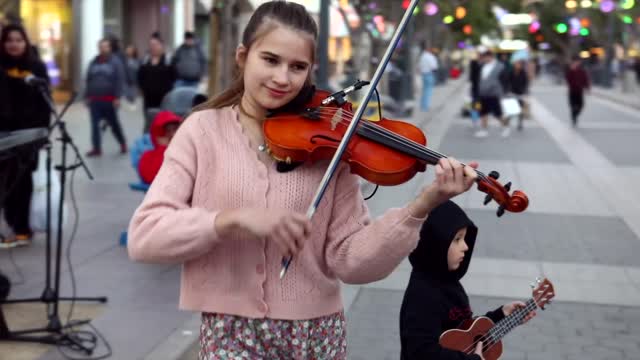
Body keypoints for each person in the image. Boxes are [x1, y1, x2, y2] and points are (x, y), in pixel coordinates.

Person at [127, 2, 479, 359]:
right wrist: (229, 219)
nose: (283, 78)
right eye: (270, 60)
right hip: (229, 333)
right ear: (243, 56)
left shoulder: (331, 143)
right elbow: (145, 237)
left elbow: (351, 262)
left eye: (297, 67)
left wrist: (421, 207)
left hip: (316, 335)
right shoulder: (203, 131)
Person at [399, 201, 536, 360]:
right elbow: (422, 352)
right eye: (457, 239)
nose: (465, 246)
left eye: (464, 238)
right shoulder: (423, 295)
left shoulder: (450, 282)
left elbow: (464, 332)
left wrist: (500, 314)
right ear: (436, 243)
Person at [0, 24, 50, 248]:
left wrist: (41, 135)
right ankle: (11, 224)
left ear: (25, 42)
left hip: (28, 137)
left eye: (18, 40)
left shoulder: (36, 67)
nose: (14, 44)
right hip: (3, 135)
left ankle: (22, 229)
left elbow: (45, 103)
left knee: (22, 183)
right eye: (9, 40)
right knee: (4, 183)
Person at [84, 38, 128, 157]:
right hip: (95, 100)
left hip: (109, 100)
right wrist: (87, 96)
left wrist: (117, 97)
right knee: (94, 126)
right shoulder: (93, 62)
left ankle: (122, 143)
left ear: (109, 48)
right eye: (101, 46)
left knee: (114, 124)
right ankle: (96, 148)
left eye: (105, 46)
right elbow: (88, 79)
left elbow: (120, 80)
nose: (103, 49)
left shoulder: (116, 62)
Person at [138, 32, 176, 133]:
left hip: (164, 98)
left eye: (155, 45)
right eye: (151, 45)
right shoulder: (145, 60)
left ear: (161, 46)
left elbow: (174, 76)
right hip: (148, 98)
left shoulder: (168, 60)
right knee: (149, 122)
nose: (153, 47)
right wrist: (142, 89)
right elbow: (140, 76)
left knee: (163, 122)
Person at [137, 110, 182, 184]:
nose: (173, 135)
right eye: (168, 131)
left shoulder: (186, 151)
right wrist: (163, 148)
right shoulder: (148, 157)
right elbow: (152, 177)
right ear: (158, 135)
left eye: (175, 129)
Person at [474, 49, 510, 138]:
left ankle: (505, 127)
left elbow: (504, 80)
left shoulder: (500, 66)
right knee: (483, 112)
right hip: (483, 93)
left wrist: (503, 92)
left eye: (485, 57)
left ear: (490, 57)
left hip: (493, 93)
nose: (484, 59)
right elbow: (479, 79)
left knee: (497, 113)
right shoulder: (482, 65)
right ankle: (484, 130)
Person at [565, 55, 590, 127]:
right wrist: (571, 70)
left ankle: (575, 115)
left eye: (578, 62)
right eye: (575, 62)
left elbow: (586, 79)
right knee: (572, 105)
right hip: (572, 90)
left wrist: (587, 88)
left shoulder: (582, 70)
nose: (576, 63)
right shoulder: (569, 70)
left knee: (581, 105)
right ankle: (574, 117)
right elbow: (567, 79)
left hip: (580, 90)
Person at [506, 60, 529, 131]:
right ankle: (507, 122)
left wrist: (525, 91)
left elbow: (526, 83)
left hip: (520, 93)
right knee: (511, 108)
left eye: (519, 64)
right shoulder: (511, 72)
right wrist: (508, 90)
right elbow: (507, 82)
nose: (517, 65)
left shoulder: (523, 73)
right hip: (512, 92)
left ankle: (520, 123)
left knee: (520, 109)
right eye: (516, 64)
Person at [418, 43, 438, 112]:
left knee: (424, 90)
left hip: (424, 74)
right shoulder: (430, 57)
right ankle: (426, 106)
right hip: (429, 74)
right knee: (428, 91)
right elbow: (434, 67)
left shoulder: (422, 56)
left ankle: (423, 105)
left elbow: (419, 66)